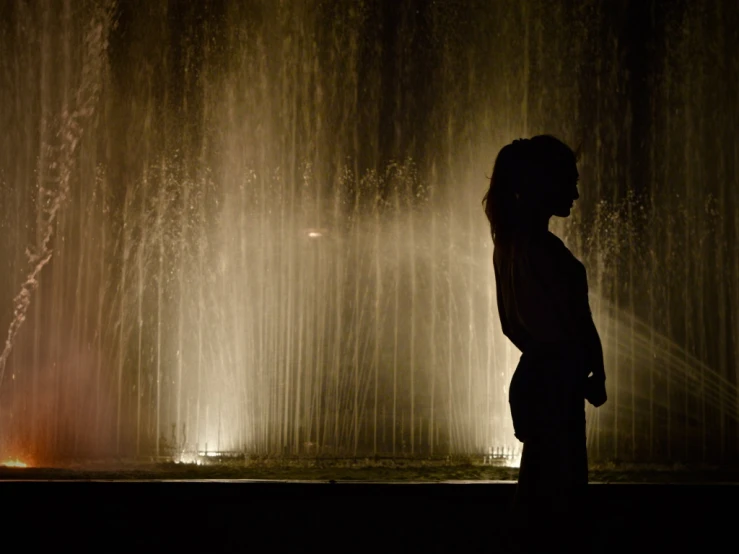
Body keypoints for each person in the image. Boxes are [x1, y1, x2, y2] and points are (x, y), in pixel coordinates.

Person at [482, 136, 607, 552]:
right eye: (568, 181)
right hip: (555, 383)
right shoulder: (544, 251)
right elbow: (575, 324)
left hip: (539, 378)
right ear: (542, 182)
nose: (575, 191)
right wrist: (590, 368)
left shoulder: (507, 245)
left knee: (538, 498)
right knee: (559, 503)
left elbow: (512, 326)